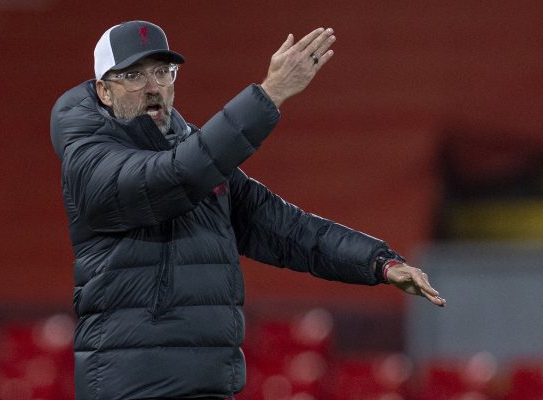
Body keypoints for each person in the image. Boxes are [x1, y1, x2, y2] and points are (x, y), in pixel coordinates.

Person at [50, 20, 446, 400]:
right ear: (104, 91)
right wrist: (269, 94)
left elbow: (284, 228)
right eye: (134, 76)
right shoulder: (89, 161)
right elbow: (172, 178)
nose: (153, 88)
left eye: (163, 72)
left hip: (209, 384)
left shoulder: (195, 152)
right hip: (132, 389)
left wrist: (379, 262)